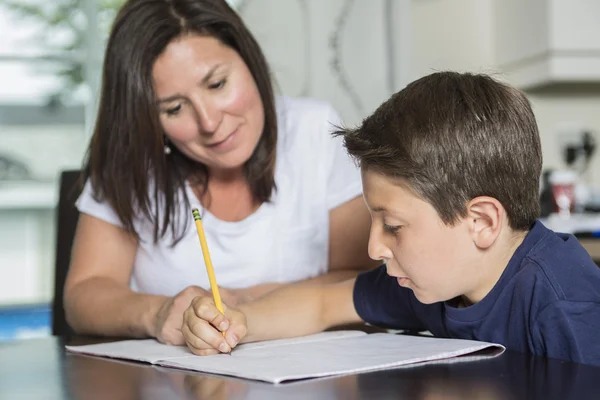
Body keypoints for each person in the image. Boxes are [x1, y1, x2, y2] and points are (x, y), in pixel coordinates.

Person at [182, 71, 600, 366]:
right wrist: (240, 322)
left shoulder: (566, 305)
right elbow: (323, 303)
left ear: (482, 223)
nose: (373, 248)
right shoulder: (434, 279)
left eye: (393, 226)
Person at [64, 0, 376, 345]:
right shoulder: (131, 159)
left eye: (217, 85)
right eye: (175, 108)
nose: (210, 123)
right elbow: (83, 296)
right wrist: (159, 313)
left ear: (249, 58)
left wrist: (246, 301)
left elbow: (365, 280)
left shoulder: (315, 130)